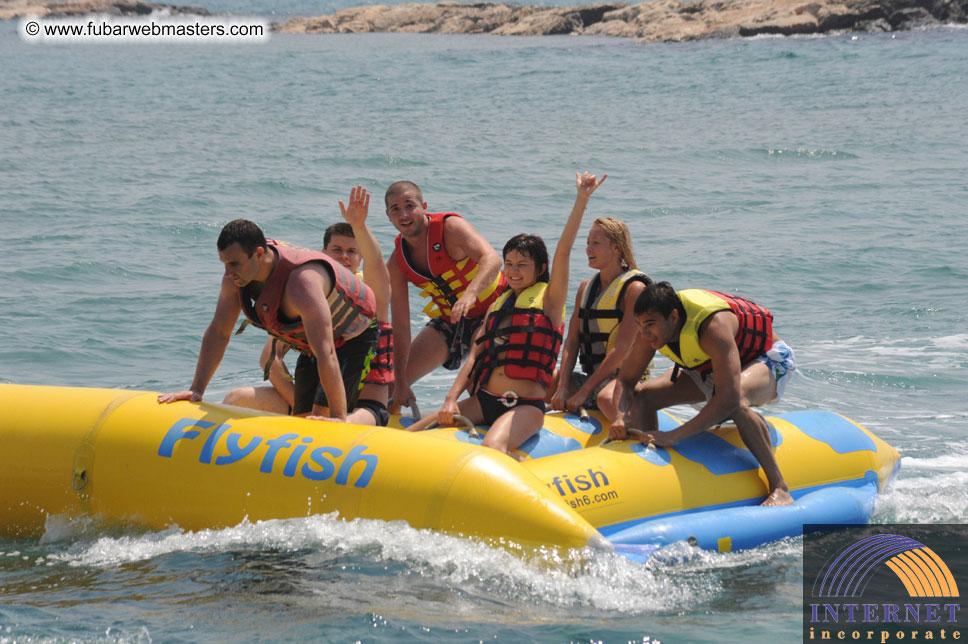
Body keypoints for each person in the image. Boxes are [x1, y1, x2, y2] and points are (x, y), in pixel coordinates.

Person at [407, 172, 607, 456]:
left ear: (539, 269)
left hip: (525, 405)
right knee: (411, 435)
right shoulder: (498, 305)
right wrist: (450, 399)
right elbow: (475, 355)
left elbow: (563, 251)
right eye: (509, 264)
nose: (513, 271)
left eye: (522, 265)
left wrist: (581, 201)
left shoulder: (550, 299)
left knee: (492, 447)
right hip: (485, 399)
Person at [158, 218, 377, 421]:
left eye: (234, 263)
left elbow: (327, 352)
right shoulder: (234, 279)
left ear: (260, 254)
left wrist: (337, 419)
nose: (228, 272)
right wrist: (196, 389)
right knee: (303, 418)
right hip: (312, 340)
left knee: (322, 417)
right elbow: (219, 331)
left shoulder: (302, 285)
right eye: (224, 263)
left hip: (354, 333)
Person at [610, 281, 797, 506]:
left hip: (767, 359)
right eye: (640, 324)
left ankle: (779, 486)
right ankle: (653, 472)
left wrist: (674, 435)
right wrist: (620, 415)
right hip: (711, 366)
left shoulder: (712, 326)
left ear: (674, 317)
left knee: (736, 402)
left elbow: (727, 397)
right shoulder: (649, 333)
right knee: (644, 396)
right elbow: (627, 380)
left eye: (650, 323)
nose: (645, 332)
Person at [220, 190, 395, 425]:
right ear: (323, 255)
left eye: (352, 251)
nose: (344, 257)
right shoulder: (308, 294)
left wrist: (359, 226)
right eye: (337, 250)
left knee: (337, 421)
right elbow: (268, 359)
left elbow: (377, 267)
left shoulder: (367, 293)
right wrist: (301, 403)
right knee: (235, 398)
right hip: (318, 404)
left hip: (364, 407)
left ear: (360, 257)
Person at [384, 180, 507, 415]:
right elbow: (400, 325)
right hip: (452, 320)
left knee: (479, 385)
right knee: (391, 386)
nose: (404, 214)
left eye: (410, 205)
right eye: (395, 209)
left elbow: (492, 259)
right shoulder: (397, 262)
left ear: (424, 207)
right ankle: (389, 431)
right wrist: (400, 381)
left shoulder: (451, 228)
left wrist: (470, 295)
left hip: (495, 312)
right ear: (388, 216)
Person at [550, 215, 651, 416]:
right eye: (587, 242)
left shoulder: (634, 288)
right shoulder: (585, 288)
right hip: (592, 378)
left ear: (616, 248)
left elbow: (622, 349)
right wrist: (562, 387)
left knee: (606, 398)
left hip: (625, 381)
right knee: (545, 381)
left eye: (595, 243)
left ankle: (628, 434)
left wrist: (584, 392)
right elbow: (571, 341)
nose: (588, 248)